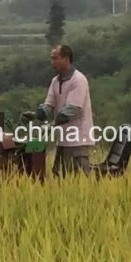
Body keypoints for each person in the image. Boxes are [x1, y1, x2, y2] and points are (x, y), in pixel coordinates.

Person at [35, 44, 95, 176]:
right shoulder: (55, 81)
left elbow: (72, 110)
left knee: (78, 179)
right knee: (59, 177)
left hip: (78, 139)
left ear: (66, 59)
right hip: (63, 139)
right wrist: (37, 114)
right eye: (52, 59)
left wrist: (51, 125)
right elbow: (49, 104)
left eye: (55, 58)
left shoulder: (78, 80)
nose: (52, 62)